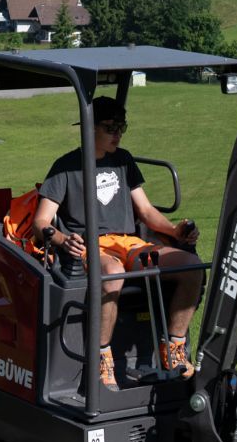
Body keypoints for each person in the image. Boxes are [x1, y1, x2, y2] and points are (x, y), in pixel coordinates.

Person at [29, 96, 202, 389]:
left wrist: (174, 230)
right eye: (110, 127)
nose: (118, 134)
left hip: (128, 242)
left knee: (191, 266)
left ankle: (174, 348)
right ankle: (102, 357)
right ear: (88, 127)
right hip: (90, 246)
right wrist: (60, 239)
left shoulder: (124, 161)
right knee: (111, 273)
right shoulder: (65, 167)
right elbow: (40, 223)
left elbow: (145, 212)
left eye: (122, 127)